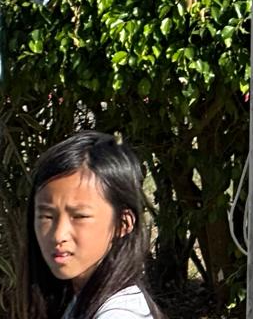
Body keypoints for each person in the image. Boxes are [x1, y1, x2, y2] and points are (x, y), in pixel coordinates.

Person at [26, 129, 162, 319]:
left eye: (79, 216)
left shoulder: (119, 314)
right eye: (46, 216)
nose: (59, 235)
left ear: (123, 223)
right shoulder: (78, 297)